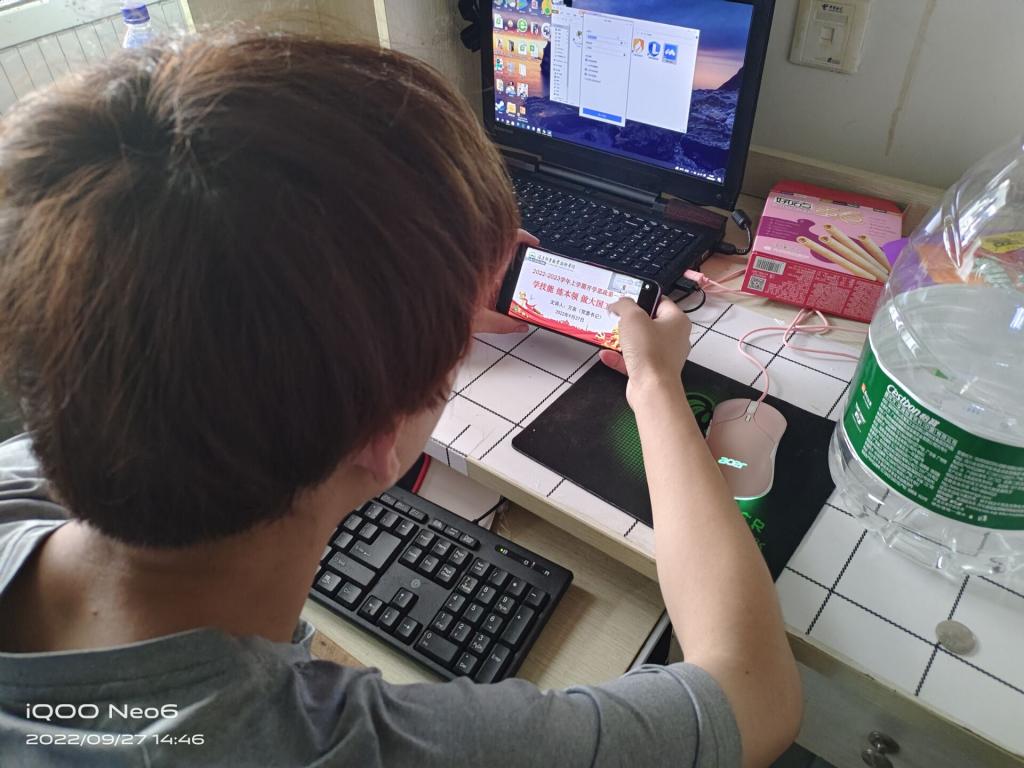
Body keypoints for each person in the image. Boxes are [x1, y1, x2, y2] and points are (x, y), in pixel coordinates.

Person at [0, 32, 801, 767]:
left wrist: (406, 309)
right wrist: (656, 385)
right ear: (381, 441)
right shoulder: (353, 748)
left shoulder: (50, 446)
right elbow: (755, 695)